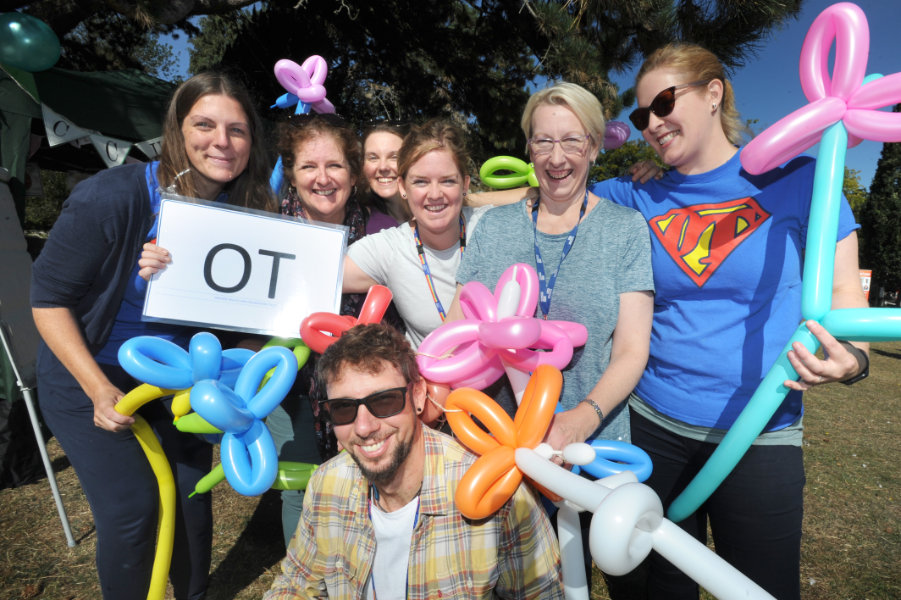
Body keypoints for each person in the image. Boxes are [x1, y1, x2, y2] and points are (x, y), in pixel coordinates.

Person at [588, 43, 870, 599]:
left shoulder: (804, 179)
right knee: (655, 588)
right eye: (642, 115)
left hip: (762, 433)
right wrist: (431, 194)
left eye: (665, 102)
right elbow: (544, 200)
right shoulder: (633, 194)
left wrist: (855, 355)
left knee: (762, 589)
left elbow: (843, 289)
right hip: (653, 428)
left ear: (714, 93)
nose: (652, 124)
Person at [30, 71, 275, 600]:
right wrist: (97, 389)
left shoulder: (248, 212)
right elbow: (47, 302)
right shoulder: (111, 197)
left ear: (251, 140)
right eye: (204, 124)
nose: (221, 142)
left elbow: (251, 311)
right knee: (133, 510)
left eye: (237, 129)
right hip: (90, 377)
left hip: (181, 379)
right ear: (177, 129)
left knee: (191, 504)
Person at [264, 323, 564, 599]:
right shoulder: (327, 485)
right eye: (343, 409)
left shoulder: (499, 495)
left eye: (384, 401)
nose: (364, 427)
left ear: (419, 395)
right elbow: (296, 585)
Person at [452, 82, 655, 438]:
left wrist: (582, 420)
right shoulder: (492, 227)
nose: (556, 157)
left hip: (590, 450)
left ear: (593, 148)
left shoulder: (625, 230)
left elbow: (632, 350)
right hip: (492, 444)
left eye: (572, 140)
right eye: (543, 141)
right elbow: (456, 326)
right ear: (529, 150)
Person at [343, 119, 493, 347]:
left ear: (465, 184)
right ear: (403, 187)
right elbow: (311, 276)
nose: (435, 194)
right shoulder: (389, 248)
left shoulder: (493, 227)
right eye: (421, 182)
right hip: (432, 378)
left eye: (447, 181)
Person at [361, 121, 411, 224]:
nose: (383, 167)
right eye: (373, 158)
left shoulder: (440, 213)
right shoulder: (360, 223)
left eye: (394, 157)